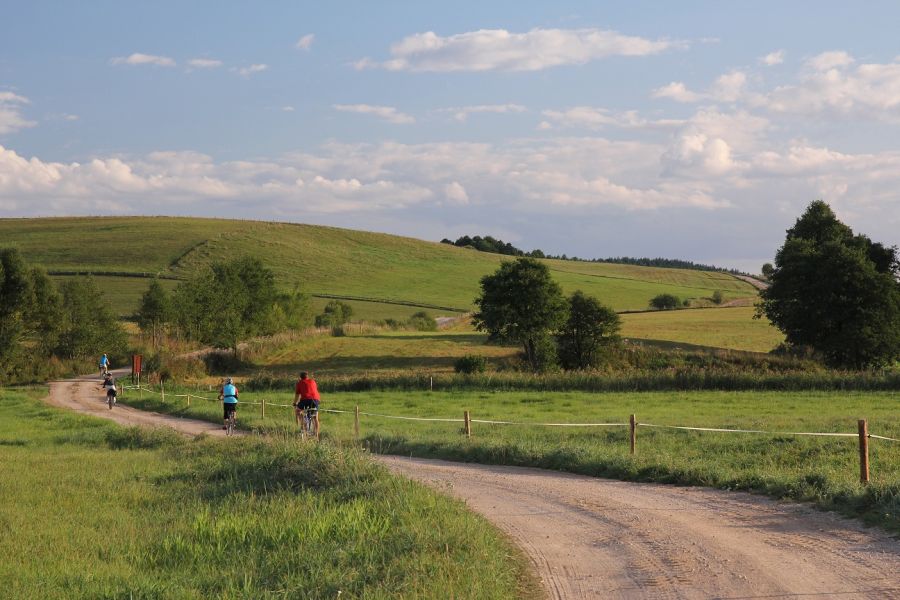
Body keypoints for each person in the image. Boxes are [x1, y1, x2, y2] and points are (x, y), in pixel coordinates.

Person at [293, 371, 321, 436]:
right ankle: (316, 435)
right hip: (316, 400)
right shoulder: (313, 381)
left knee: (298, 411)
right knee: (315, 417)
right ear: (307, 376)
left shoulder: (299, 383)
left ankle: (303, 428)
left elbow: (297, 395)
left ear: (300, 377)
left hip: (305, 400)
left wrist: (295, 403)